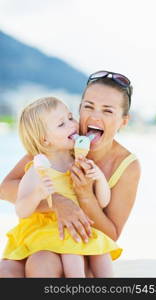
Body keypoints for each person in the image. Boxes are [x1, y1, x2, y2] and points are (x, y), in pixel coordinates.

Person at [0, 70, 141, 278]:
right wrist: (57, 201)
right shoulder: (57, 143)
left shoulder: (127, 165)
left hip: (83, 245)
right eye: (88, 107)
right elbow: (6, 188)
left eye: (108, 111)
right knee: (6, 271)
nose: (94, 116)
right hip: (42, 234)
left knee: (41, 263)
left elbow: (110, 235)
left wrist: (84, 194)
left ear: (123, 121)